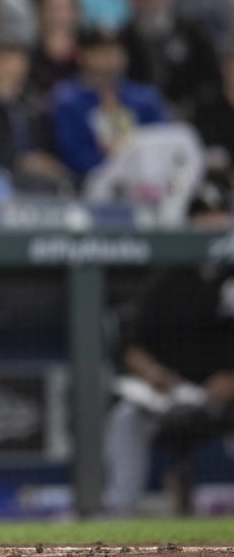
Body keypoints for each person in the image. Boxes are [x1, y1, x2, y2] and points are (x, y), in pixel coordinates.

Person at [104, 188, 234, 515]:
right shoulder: (167, 280)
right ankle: (120, 514)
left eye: (218, 218)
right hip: (176, 394)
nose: (210, 226)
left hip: (228, 395)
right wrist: (154, 374)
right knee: (127, 417)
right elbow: (133, 348)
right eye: (202, 219)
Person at [52, 26, 166, 178]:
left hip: (148, 181)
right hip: (88, 187)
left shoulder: (144, 99)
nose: (112, 57)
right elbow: (72, 156)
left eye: (117, 50)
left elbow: (163, 144)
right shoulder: (69, 101)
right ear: (83, 54)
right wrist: (104, 155)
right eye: (102, 51)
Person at [0, 41, 69, 194]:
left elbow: (47, 144)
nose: (14, 68)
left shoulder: (34, 104)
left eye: (19, 61)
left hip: (37, 178)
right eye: (7, 61)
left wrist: (46, 161)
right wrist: (20, 161)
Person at [121, 0, 222, 122]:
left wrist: (191, 105)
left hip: (189, 115)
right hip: (139, 116)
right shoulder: (124, 38)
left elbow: (211, 79)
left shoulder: (190, 32)